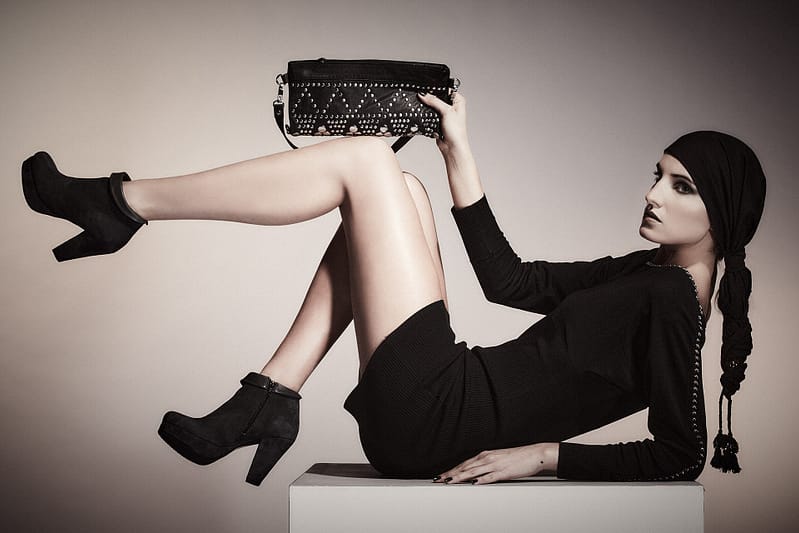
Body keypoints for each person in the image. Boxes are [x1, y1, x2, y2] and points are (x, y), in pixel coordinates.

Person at [21, 91, 766, 486]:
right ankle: (269, 396)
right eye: (657, 175)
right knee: (401, 189)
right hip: (444, 398)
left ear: (723, 213)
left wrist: (542, 456)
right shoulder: (648, 274)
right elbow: (510, 282)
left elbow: (680, 453)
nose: (653, 194)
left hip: (438, 416)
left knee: (366, 164)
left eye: (681, 186)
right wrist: (458, 152)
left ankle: (122, 203)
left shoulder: (675, 302)